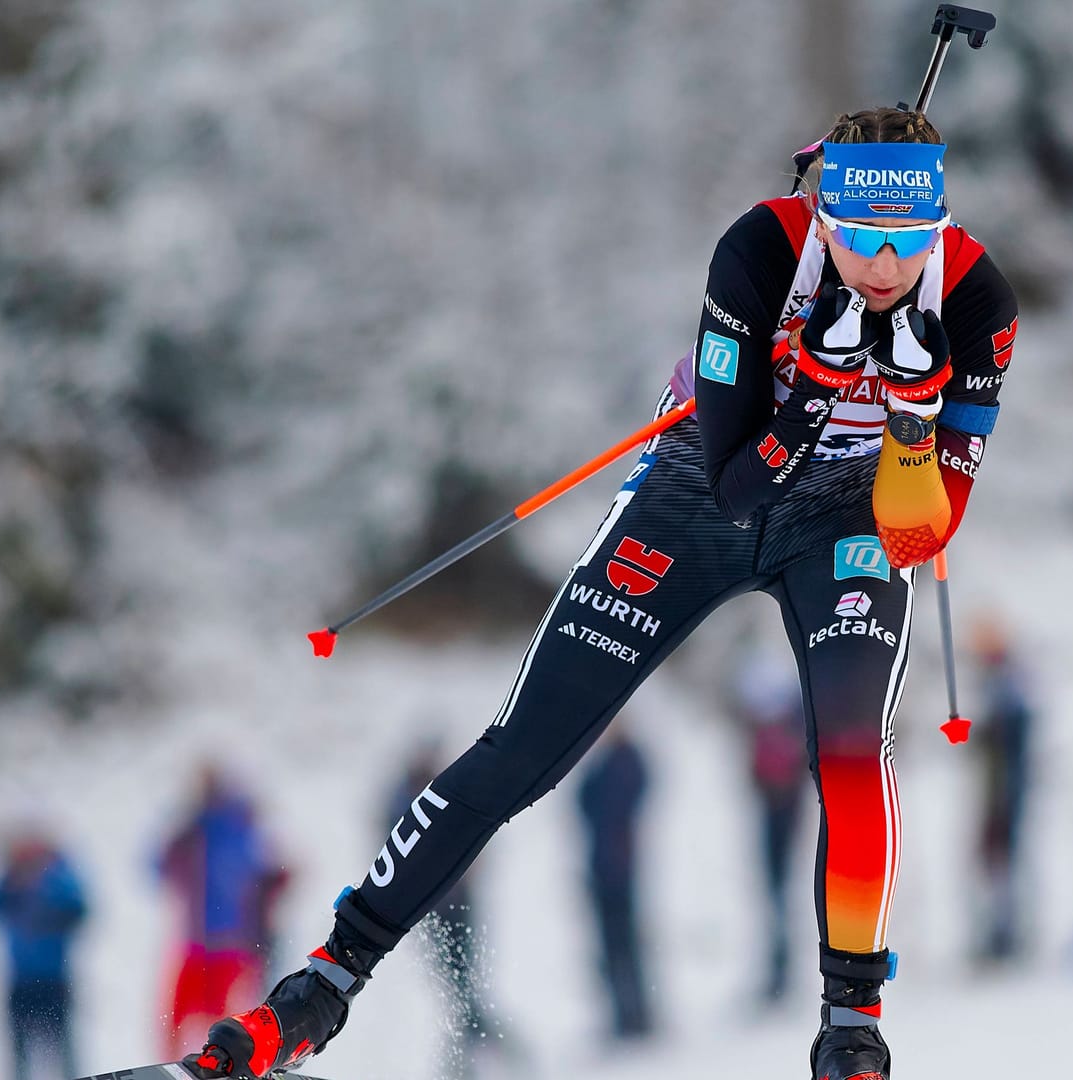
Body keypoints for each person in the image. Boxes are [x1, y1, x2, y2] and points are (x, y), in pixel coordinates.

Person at [182, 106, 1019, 1080]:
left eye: (908, 240)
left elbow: (923, 530)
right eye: (859, 237)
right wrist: (818, 381)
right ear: (821, 215)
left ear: (940, 226)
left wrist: (913, 413)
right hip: (702, 490)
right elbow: (737, 480)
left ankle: (851, 1028)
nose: (883, 264)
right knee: (525, 751)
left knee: (849, 747)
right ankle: (321, 988)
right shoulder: (757, 251)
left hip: (852, 518)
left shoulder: (976, 303)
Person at [383, 736, 508, 1079]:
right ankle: (476, 1046)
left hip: (455, 901)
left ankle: (476, 1048)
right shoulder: (406, 797)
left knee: (464, 981)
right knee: (453, 984)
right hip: (431, 906)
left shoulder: (445, 789)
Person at [158, 764, 289, 1057]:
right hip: (200, 943)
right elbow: (159, 867)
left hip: (233, 946)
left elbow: (265, 877)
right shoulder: (196, 833)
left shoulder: (238, 831)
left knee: (222, 1021)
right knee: (177, 1019)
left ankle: (220, 1065)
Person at [734, 649, 810, 1004]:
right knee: (774, 890)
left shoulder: (786, 726)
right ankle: (777, 967)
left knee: (779, 889)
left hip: (781, 812)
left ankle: (782, 969)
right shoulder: (782, 724)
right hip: (774, 811)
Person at [0, 830, 88, 1080]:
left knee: (65, 1056)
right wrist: (12, 879)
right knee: (19, 1059)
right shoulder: (11, 881)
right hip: (20, 981)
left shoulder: (60, 878)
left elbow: (79, 911)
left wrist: (46, 881)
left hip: (54, 981)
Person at [575, 724, 653, 1041]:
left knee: (622, 942)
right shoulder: (613, 762)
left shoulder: (624, 762)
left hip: (617, 865)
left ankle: (634, 1013)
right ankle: (626, 1013)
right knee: (613, 944)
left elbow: (592, 802)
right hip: (605, 863)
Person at [965, 613, 1034, 968]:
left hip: (1004, 787)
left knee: (1003, 858)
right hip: (996, 786)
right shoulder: (998, 683)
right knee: (995, 860)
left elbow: (1013, 741)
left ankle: (1007, 933)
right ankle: (999, 930)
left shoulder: (1008, 684)